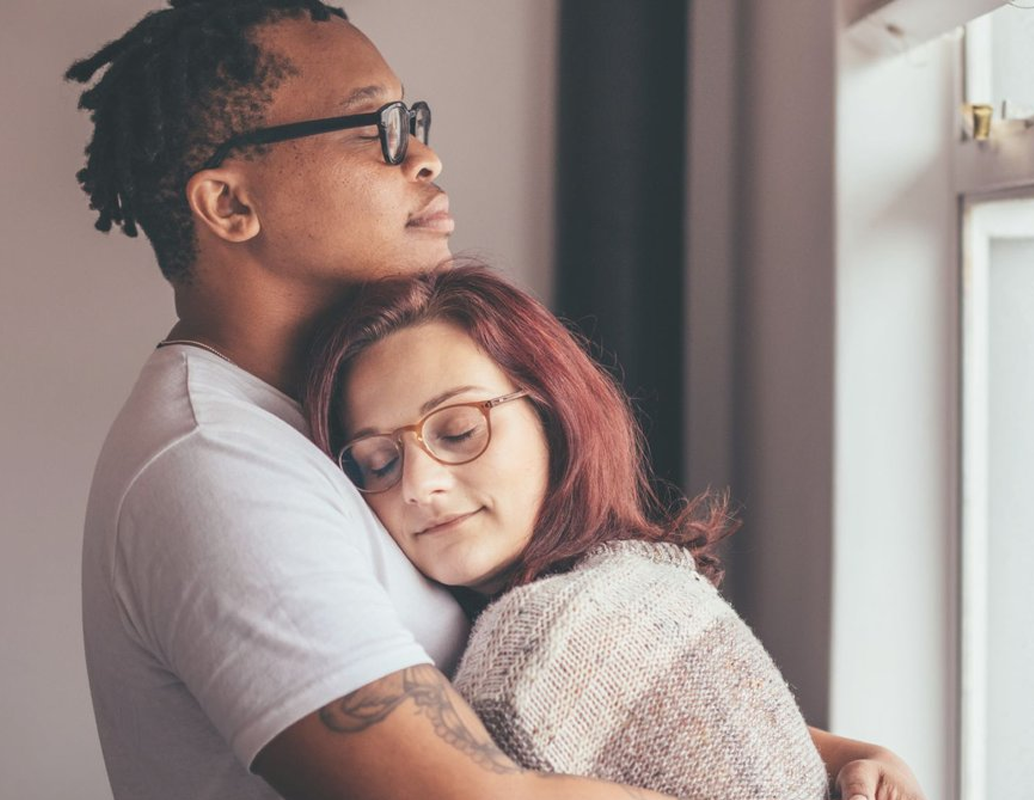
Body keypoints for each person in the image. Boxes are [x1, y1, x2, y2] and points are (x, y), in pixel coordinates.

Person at [68, 1, 921, 799]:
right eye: (376, 128)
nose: (424, 157)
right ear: (229, 203)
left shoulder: (320, 418)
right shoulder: (220, 469)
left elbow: (549, 698)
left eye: (414, 121)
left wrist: (807, 752)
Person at [304, 264, 927, 800]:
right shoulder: (645, 575)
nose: (418, 484)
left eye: (459, 431)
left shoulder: (533, 632)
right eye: (378, 463)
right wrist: (847, 754)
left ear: (553, 415)